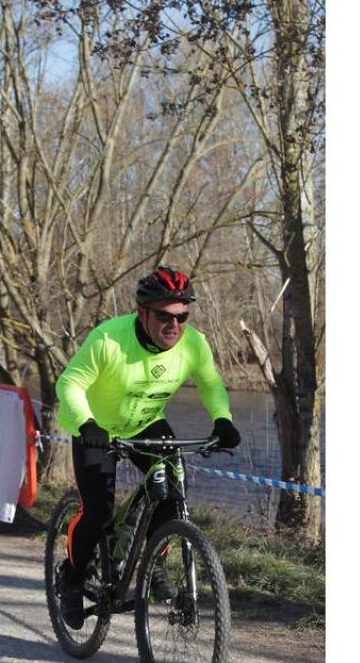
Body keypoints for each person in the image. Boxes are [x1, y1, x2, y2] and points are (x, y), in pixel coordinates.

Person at [54, 266, 241, 629]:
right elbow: (70, 384)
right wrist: (86, 424)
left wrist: (223, 419)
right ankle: (72, 577)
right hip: (96, 427)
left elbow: (211, 383)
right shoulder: (109, 340)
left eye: (183, 316)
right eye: (165, 316)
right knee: (99, 511)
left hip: (147, 423)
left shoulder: (194, 344)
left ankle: (153, 563)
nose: (175, 325)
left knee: (173, 498)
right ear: (142, 312)